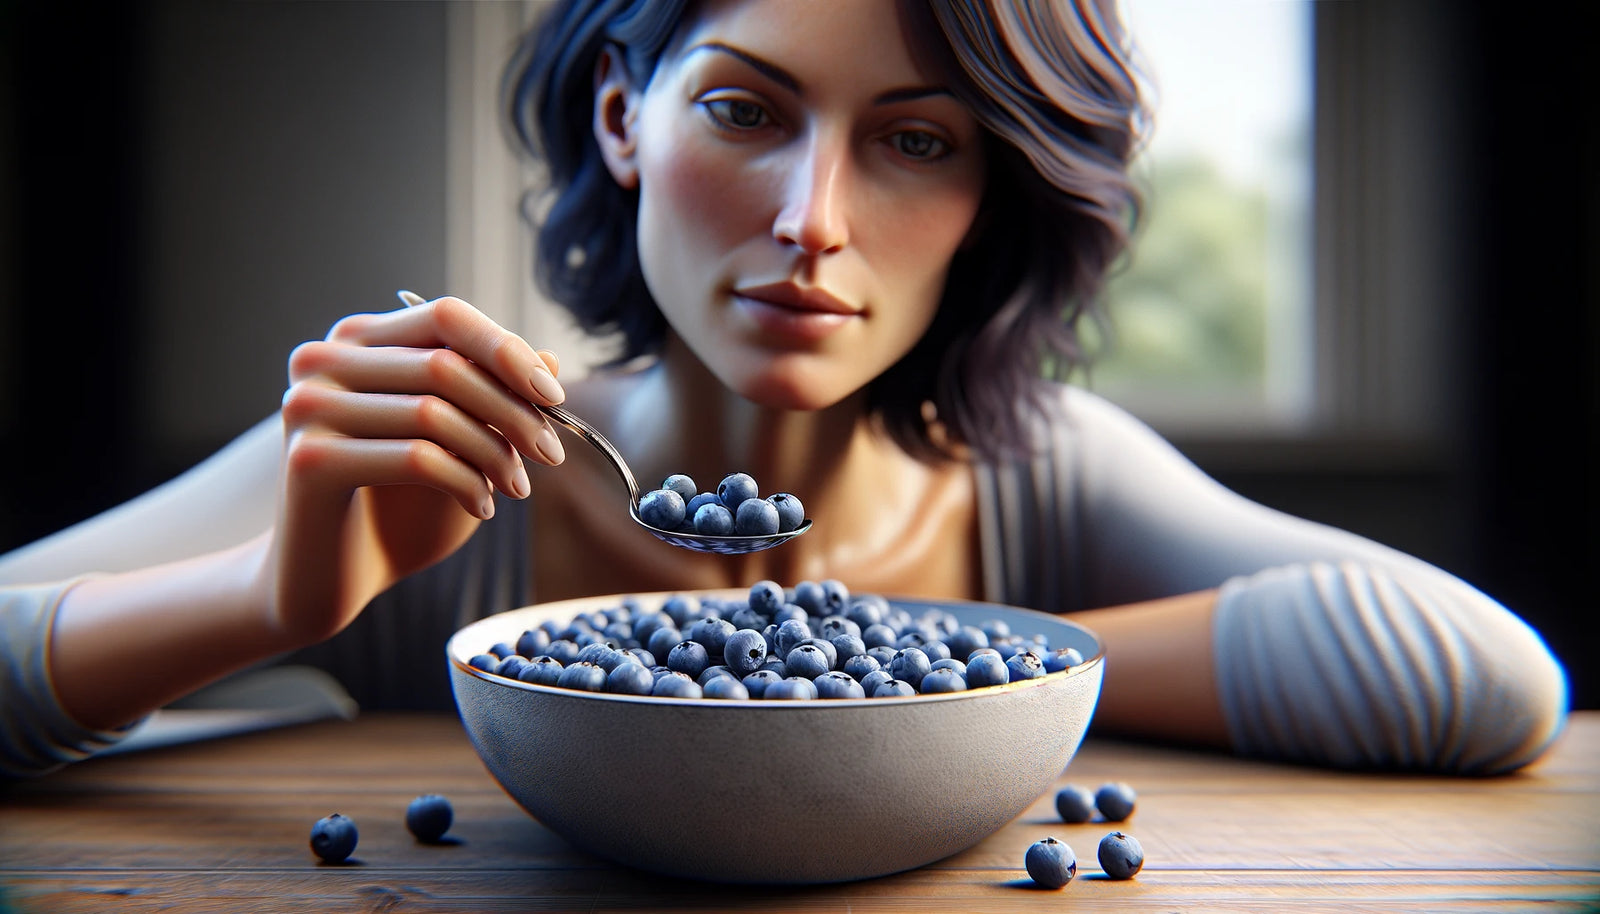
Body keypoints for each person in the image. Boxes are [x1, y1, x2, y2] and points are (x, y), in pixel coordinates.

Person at [0, 0, 1567, 779]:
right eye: (748, 108)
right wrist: (273, 595)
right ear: (624, 122)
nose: (814, 219)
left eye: (916, 138)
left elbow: (1483, 673)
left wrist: (865, 661)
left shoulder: (1050, 474)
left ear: (989, 195)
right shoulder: (451, 469)